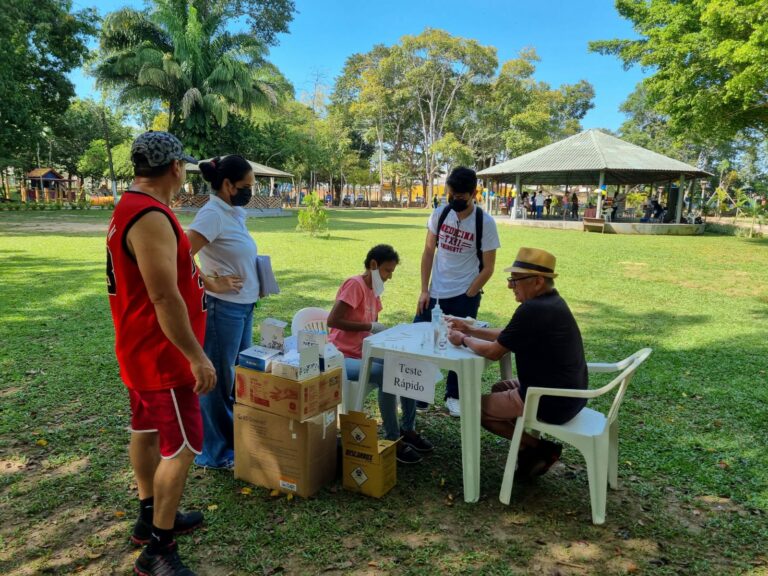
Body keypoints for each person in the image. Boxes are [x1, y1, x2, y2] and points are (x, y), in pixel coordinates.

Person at [106, 131, 215, 576]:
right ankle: (158, 549)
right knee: (183, 447)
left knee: (146, 429)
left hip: (142, 348)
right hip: (162, 354)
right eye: (183, 165)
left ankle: (148, 516)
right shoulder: (149, 215)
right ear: (174, 168)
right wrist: (196, 356)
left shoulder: (132, 206)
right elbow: (164, 297)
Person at [447, 247, 588, 478]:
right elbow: (508, 334)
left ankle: (540, 447)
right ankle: (525, 450)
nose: (510, 286)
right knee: (498, 388)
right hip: (570, 394)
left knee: (473, 408)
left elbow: (494, 352)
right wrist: (470, 329)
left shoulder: (532, 309)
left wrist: (462, 339)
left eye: (515, 280)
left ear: (538, 281)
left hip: (551, 401)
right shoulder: (552, 302)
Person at [328, 245, 433, 464]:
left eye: (392, 272)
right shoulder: (355, 285)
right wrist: (370, 326)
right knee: (388, 375)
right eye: (387, 271)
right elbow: (333, 320)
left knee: (405, 365)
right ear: (373, 265)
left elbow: (372, 328)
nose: (390, 277)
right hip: (340, 356)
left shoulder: (373, 290)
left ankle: (408, 429)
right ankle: (393, 439)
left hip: (363, 353)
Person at [186, 155, 258, 470]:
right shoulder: (212, 214)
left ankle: (233, 441)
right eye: (246, 186)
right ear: (228, 185)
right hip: (223, 308)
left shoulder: (233, 212)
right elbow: (180, 255)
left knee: (236, 377)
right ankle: (214, 453)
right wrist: (212, 283)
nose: (250, 192)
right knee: (217, 380)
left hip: (243, 306)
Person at [414, 167, 500, 417]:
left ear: (474, 193)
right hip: (435, 293)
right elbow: (428, 252)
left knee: (460, 347)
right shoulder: (440, 214)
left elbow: (489, 267)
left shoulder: (485, 223)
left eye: (460, 196)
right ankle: (420, 394)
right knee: (423, 340)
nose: (454, 200)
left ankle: (454, 396)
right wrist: (424, 290)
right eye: (451, 194)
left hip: (464, 295)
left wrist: (470, 292)